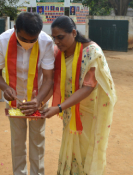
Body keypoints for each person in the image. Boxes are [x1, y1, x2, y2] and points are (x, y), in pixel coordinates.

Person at [41, 16, 117, 175]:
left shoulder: (92, 52)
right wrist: (39, 102)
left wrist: (59, 107)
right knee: (71, 148)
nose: (57, 42)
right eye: (54, 38)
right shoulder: (59, 53)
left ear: (74, 32)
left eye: (60, 37)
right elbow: (55, 82)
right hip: (70, 110)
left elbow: (88, 87)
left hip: (88, 111)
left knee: (84, 148)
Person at [0, 12, 54, 175]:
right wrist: (5, 88)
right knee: (17, 142)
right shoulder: (3, 41)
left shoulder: (46, 42)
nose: (28, 44)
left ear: (39, 34)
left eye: (32, 41)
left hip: (38, 98)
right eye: (23, 40)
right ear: (15, 29)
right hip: (15, 100)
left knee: (37, 141)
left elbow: (48, 79)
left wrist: (38, 100)